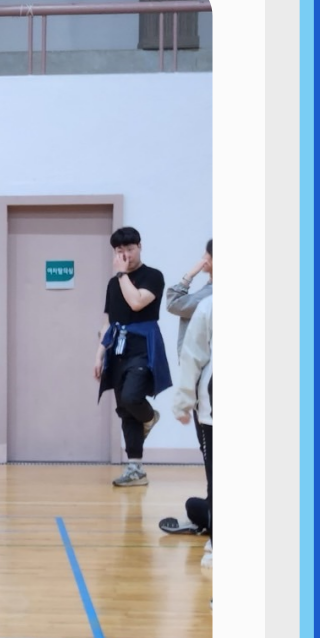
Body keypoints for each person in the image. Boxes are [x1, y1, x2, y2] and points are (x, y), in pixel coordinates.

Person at [93, 226, 172, 487]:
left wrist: (122, 274)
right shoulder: (112, 284)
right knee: (125, 410)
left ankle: (149, 417)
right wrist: (99, 354)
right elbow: (108, 322)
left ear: (140, 247)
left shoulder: (153, 276)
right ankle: (135, 469)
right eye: (119, 250)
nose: (125, 254)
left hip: (143, 346)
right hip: (118, 348)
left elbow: (137, 302)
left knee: (131, 397)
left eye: (130, 248)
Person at [160, 240, 213, 535]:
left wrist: (189, 274)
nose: (203, 259)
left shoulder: (209, 300)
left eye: (207, 255)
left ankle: (211, 519)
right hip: (206, 390)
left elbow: (173, 303)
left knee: (210, 457)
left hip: (207, 394)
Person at [172, 295, 212, 568]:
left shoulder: (209, 305)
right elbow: (193, 356)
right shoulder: (209, 305)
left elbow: (192, 356)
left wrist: (183, 403)